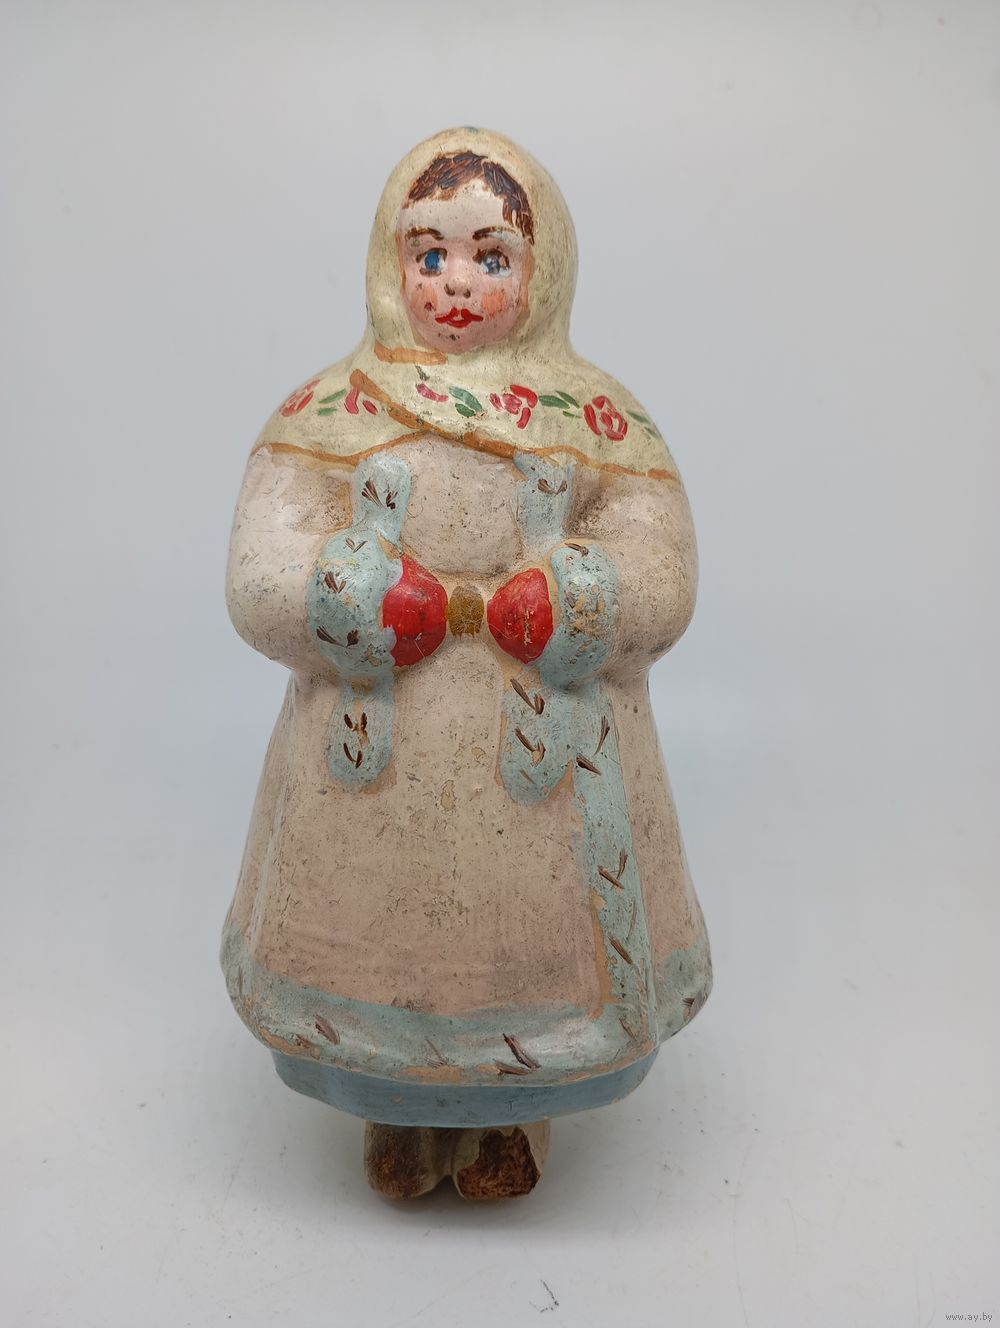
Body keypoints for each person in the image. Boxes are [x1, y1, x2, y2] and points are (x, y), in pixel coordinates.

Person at [222, 127, 711, 1198]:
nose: (454, 283)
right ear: (389, 262)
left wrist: (582, 594)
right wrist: (344, 594)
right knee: (372, 940)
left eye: (491, 256)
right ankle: (392, 1111)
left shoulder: (598, 419)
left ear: (543, 270)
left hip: (543, 766)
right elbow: (259, 567)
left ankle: (510, 1122)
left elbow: (662, 566)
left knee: (530, 945)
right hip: (369, 765)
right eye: (429, 252)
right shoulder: (329, 413)